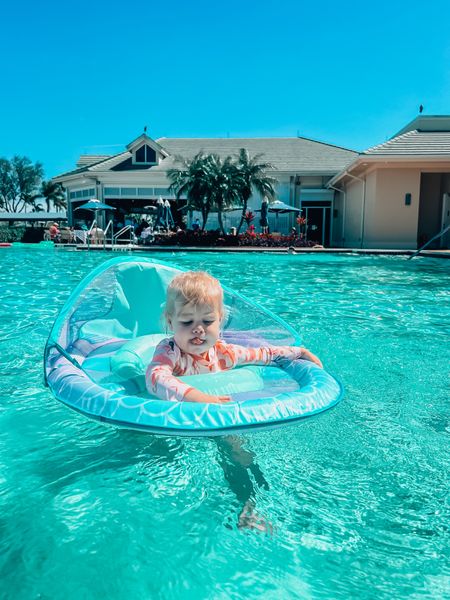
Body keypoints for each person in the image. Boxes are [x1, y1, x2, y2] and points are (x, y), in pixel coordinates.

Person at [146, 271, 322, 405]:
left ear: (220, 321)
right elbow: (156, 377)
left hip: (215, 408)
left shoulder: (224, 352)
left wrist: (299, 352)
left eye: (207, 321)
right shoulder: (169, 351)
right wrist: (199, 398)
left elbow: (264, 354)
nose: (198, 329)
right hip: (175, 413)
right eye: (187, 321)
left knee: (235, 443)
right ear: (170, 322)